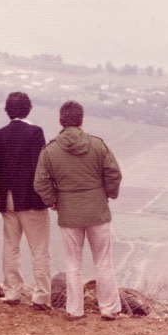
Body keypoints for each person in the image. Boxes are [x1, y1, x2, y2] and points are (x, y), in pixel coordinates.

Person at [34, 100, 123, 321]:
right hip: (98, 212)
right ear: (81, 120)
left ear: (60, 121)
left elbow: (40, 182)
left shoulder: (50, 150)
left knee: (73, 263)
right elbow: (114, 173)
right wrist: (108, 194)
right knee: (103, 261)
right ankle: (109, 308)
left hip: (69, 214)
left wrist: (53, 201)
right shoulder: (97, 145)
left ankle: (74, 310)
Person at [0, 92, 52, 309]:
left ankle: (12, 292)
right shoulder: (36, 133)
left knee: (10, 246)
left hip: (7, 199)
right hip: (31, 200)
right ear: (29, 108)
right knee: (40, 249)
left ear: (7, 110)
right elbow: (40, 168)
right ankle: (41, 296)